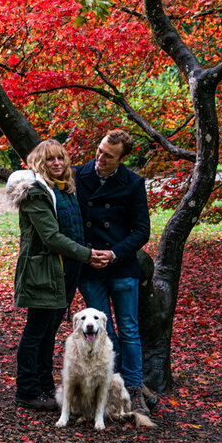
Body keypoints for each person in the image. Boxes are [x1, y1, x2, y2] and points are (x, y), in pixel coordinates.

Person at [6, 139, 111, 411]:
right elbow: (51, 237)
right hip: (43, 272)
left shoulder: (66, 190)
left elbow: (74, 231)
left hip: (64, 272)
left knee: (49, 331)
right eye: (50, 159)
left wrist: (87, 254)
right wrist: (88, 255)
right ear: (39, 162)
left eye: (60, 158)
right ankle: (27, 390)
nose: (56, 163)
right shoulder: (35, 192)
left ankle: (44, 387)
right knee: (36, 332)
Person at [73, 129, 152, 418]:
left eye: (108, 155)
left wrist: (114, 253)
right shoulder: (76, 175)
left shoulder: (132, 183)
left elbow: (142, 229)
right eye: (99, 150)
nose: (100, 158)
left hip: (121, 265)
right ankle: (116, 384)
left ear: (121, 158)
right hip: (89, 264)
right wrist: (86, 253)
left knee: (129, 328)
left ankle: (133, 386)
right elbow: (68, 220)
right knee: (102, 330)